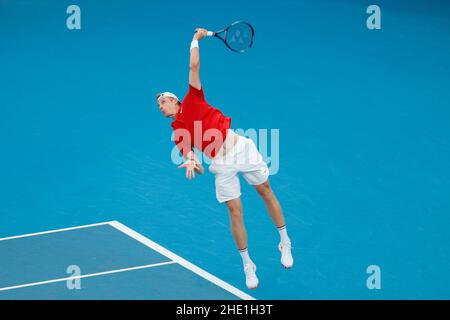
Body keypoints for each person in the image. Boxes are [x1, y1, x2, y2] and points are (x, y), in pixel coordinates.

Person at [155, 28, 293, 289]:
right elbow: (188, 152)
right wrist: (192, 161)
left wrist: (195, 40)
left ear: (174, 100)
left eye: (163, 102)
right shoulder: (177, 132)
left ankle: (284, 241)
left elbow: (194, 65)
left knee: (265, 190)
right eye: (159, 106)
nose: (161, 106)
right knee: (234, 210)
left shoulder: (193, 96)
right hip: (221, 164)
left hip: (240, 148)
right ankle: (247, 265)